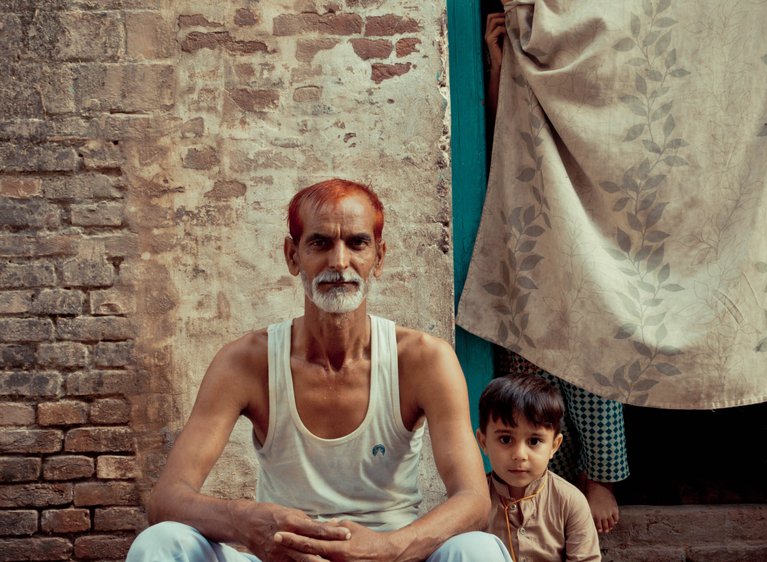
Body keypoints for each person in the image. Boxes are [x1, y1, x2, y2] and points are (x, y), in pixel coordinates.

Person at [127, 179, 511, 562]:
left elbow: (473, 499)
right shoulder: (245, 362)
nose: (339, 262)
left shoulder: (424, 360)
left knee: (478, 550)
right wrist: (243, 519)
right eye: (320, 243)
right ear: (293, 257)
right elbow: (167, 499)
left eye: (357, 243)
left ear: (379, 257)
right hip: (284, 557)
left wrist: (388, 548)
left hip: (389, 557)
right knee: (160, 543)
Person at [483, 10, 630, 534]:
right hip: (532, 219)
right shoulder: (524, 48)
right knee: (528, 355)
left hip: (597, 220)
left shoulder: (602, 37)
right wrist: (503, 67)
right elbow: (510, 138)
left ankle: (599, 478)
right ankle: (551, 483)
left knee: (594, 348)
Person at [476, 375, 601, 562]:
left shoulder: (570, 502)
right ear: (484, 442)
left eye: (534, 441)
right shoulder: (475, 500)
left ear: (554, 446)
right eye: (505, 439)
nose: (519, 454)